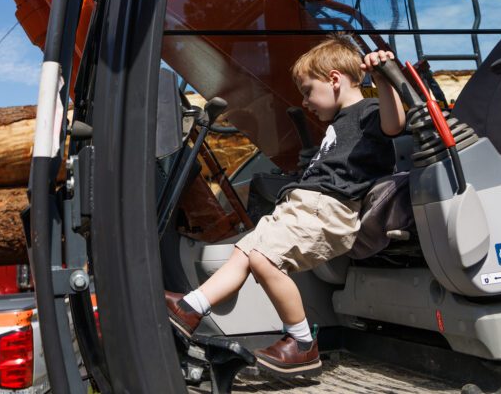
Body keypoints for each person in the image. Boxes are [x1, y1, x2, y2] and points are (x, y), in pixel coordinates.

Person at [165, 35, 406, 377]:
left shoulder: (367, 110)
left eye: (308, 90)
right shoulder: (340, 122)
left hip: (329, 208)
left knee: (264, 259)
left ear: (334, 79)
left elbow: (394, 124)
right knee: (244, 251)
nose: (306, 101)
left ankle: (302, 343)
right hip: (305, 204)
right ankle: (190, 309)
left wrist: (383, 78)